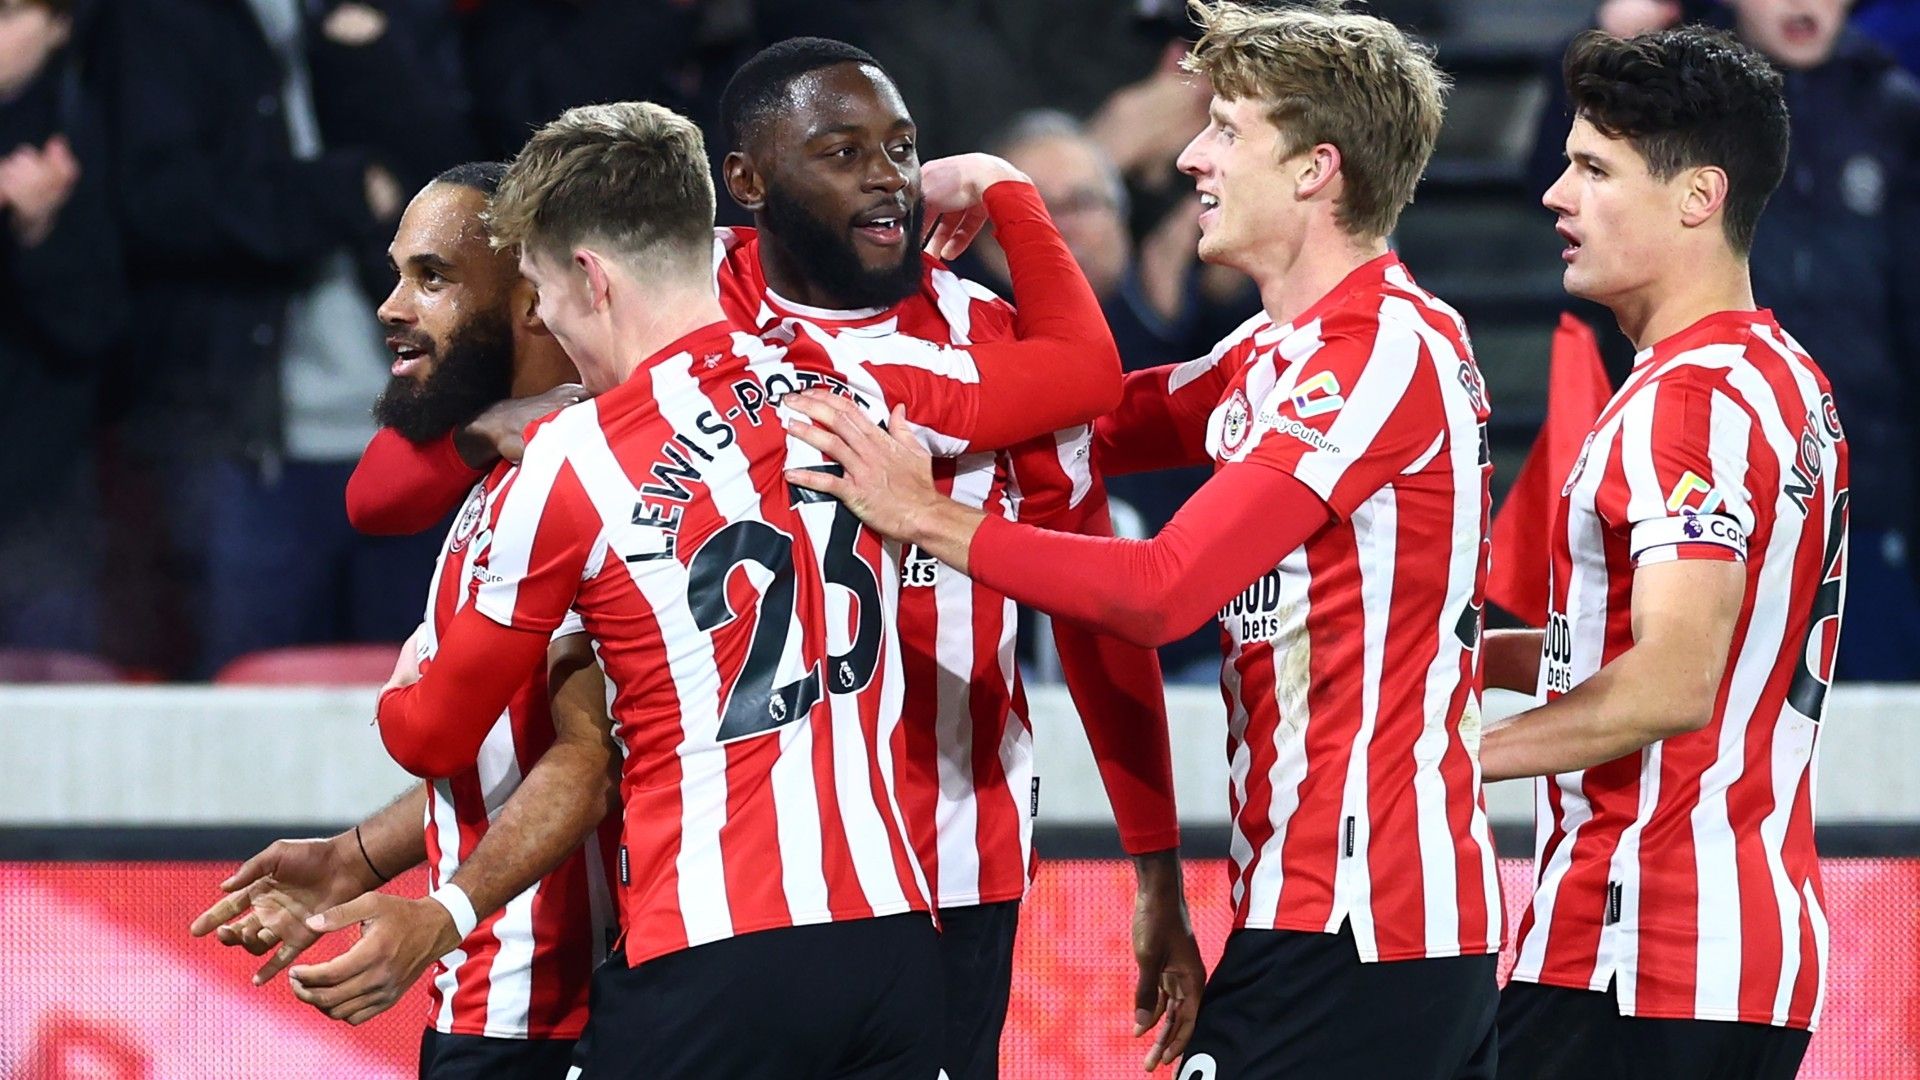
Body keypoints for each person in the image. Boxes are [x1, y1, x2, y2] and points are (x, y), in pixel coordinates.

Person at [344, 38, 1203, 1076]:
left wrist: (1155, 859)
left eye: (903, 146)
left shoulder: (988, 341)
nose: (887, 174)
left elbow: (1096, 609)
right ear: (746, 184)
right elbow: (379, 490)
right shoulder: (684, 298)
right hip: (707, 862)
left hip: (949, 861)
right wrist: (498, 421)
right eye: (842, 151)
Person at [780, 3, 1504, 1077]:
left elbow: (1163, 590)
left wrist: (923, 511)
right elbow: (1077, 413)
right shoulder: (1275, 350)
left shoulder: (1376, 354)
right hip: (1324, 911)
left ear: (1316, 169)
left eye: (1226, 128)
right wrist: (1011, 202)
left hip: (1370, 916)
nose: (1190, 155)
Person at [190, 163, 619, 1080]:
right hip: (500, 1002)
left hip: (558, 1014)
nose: (390, 305)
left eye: (431, 277)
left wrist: (442, 913)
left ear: (537, 301)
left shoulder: (591, 473)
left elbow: (593, 764)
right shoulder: (500, 462)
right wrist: (357, 856)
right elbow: (372, 495)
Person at [1480, 27, 1844, 1080]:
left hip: (1646, 950)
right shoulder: (1782, 375)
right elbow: (1714, 648)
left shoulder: (1688, 401)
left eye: (1594, 168)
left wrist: (1448, 758)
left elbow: (1676, 678)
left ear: (1698, 196)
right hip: (1734, 947)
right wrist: (1480, 662)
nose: (1557, 194)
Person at [97, 0, 471, 676]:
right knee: (246, 719)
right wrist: (344, 193)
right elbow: (159, 203)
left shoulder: (397, 14)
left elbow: (468, 188)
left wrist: (366, 53)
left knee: (425, 703)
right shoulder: (162, 19)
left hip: (411, 434)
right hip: (239, 438)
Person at [0, 0, 124, 653]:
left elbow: (97, 326)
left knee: (47, 690)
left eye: (6, 15)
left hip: (37, 488)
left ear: (60, 26)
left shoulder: (83, 128)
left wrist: (40, 230)